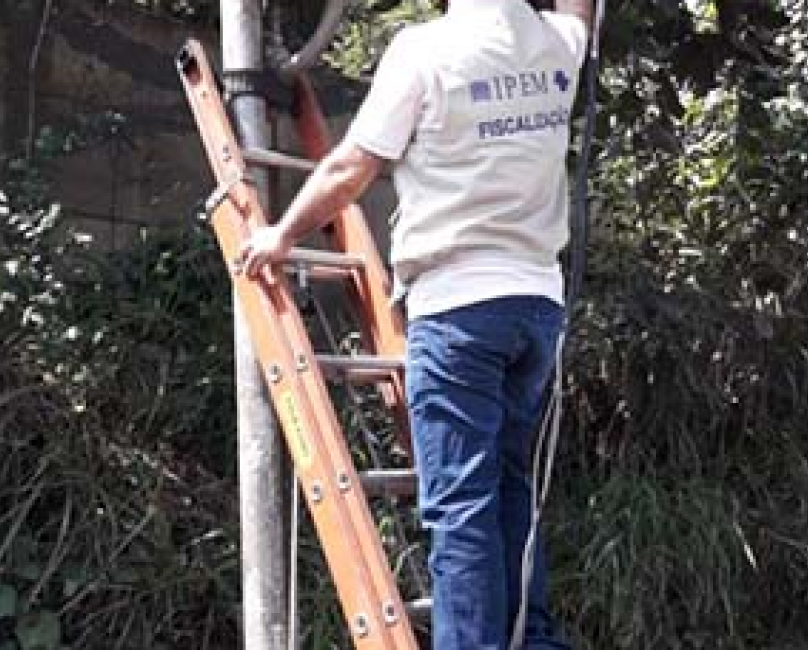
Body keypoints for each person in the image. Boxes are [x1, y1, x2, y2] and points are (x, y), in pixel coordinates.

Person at [238, 0, 592, 647]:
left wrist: (282, 234)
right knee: (510, 483)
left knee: (461, 504)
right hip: (536, 307)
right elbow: (579, 12)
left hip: (459, 309)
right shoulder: (557, 44)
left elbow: (352, 166)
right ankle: (532, 638)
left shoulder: (425, 52)